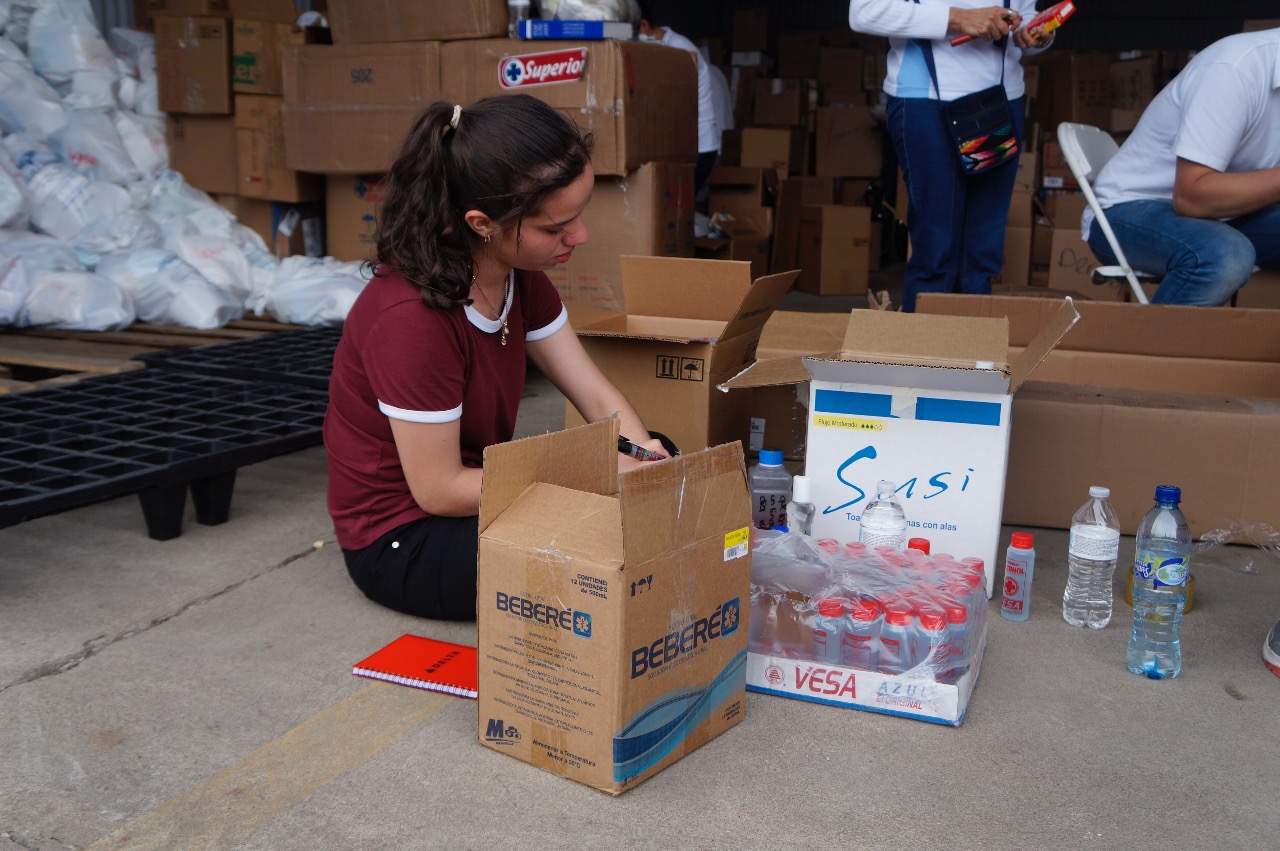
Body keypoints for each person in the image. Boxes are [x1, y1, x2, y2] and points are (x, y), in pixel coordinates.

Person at [324, 95, 667, 621]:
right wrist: (595, 476)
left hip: (479, 495)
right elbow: (439, 491)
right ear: (483, 222)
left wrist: (642, 459)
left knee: (660, 462)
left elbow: (595, 393)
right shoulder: (410, 320)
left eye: (578, 217)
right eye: (556, 228)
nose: (579, 236)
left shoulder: (518, 277)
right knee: (595, 551)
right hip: (405, 538)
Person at [849, 1, 1053, 312]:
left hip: (998, 103)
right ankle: (926, 354)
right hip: (925, 102)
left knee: (982, 250)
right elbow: (864, 12)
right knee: (937, 247)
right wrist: (958, 18)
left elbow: (1022, 22)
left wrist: (1034, 34)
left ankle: (972, 351)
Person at [1084, 27, 1280, 306]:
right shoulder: (1234, 69)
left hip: (1226, 215)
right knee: (1226, 255)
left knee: (1226, 246)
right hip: (1129, 212)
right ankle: (1151, 348)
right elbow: (1191, 198)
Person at [635, 2, 727, 197]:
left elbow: (670, 102)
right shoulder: (666, 46)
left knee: (673, 205)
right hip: (687, 144)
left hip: (698, 148)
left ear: (643, 25)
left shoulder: (679, 50)